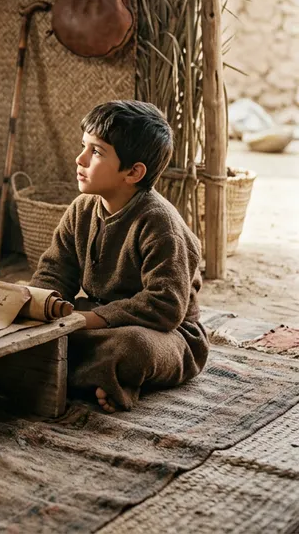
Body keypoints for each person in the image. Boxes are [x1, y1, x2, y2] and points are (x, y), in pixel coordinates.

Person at [28, 100, 209, 412]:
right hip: (99, 318)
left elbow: (165, 306)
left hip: (166, 334)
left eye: (96, 152)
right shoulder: (81, 210)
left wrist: (87, 321)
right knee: (20, 308)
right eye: (84, 145)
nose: (80, 158)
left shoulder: (159, 223)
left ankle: (62, 371)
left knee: (131, 348)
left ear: (133, 172)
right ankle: (103, 380)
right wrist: (40, 306)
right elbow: (55, 272)